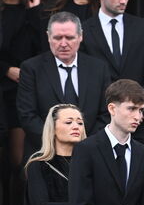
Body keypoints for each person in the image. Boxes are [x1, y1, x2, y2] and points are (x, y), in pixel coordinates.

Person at [80, 0, 144, 157]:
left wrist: (139, 111)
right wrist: (107, 113)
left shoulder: (142, 28)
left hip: (142, 123)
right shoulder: (85, 31)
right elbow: (86, 79)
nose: (124, 0)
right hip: (101, 121)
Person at [17, 11, 110, 158]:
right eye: (58, 38)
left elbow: (106, 113)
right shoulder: (31, 68)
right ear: (48, 37)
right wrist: (58, 144)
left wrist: (85, 144)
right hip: (44, 154)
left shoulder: (99, 68)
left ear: (81, 37)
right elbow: (27, 114)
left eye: (70, 37)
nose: (63, 44)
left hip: (90, 153)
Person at [0, 0, 42, 205]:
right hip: (1, 88)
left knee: (18, 160)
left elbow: (42, 50)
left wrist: (35, 12)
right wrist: (7, 70)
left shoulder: (33, 14)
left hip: (22, 94)